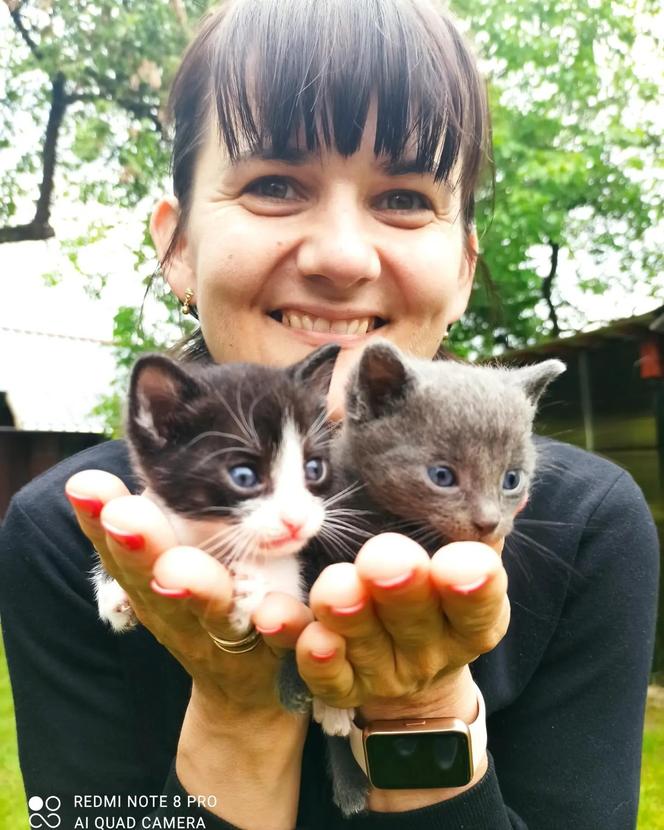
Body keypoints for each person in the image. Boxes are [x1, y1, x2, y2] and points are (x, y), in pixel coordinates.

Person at [0, 1, 658, 828]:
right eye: (274, 185)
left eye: (407, 197)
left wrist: (418, 715)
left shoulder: (584, 525)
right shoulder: (77, 532)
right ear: (177, 247)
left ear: (462, 268)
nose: (343, 258)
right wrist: (240, 715)